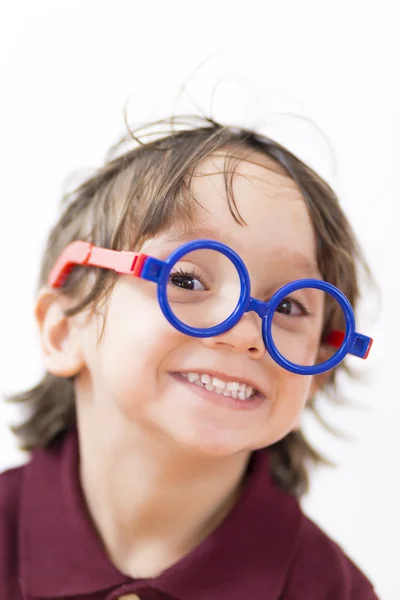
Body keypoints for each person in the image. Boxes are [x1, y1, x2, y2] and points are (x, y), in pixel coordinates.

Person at [0, 116, 379, 599]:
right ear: (62, 330)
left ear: (319, 373)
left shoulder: (334, 591)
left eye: (288, 307)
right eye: (187, 280)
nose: (245, 331)